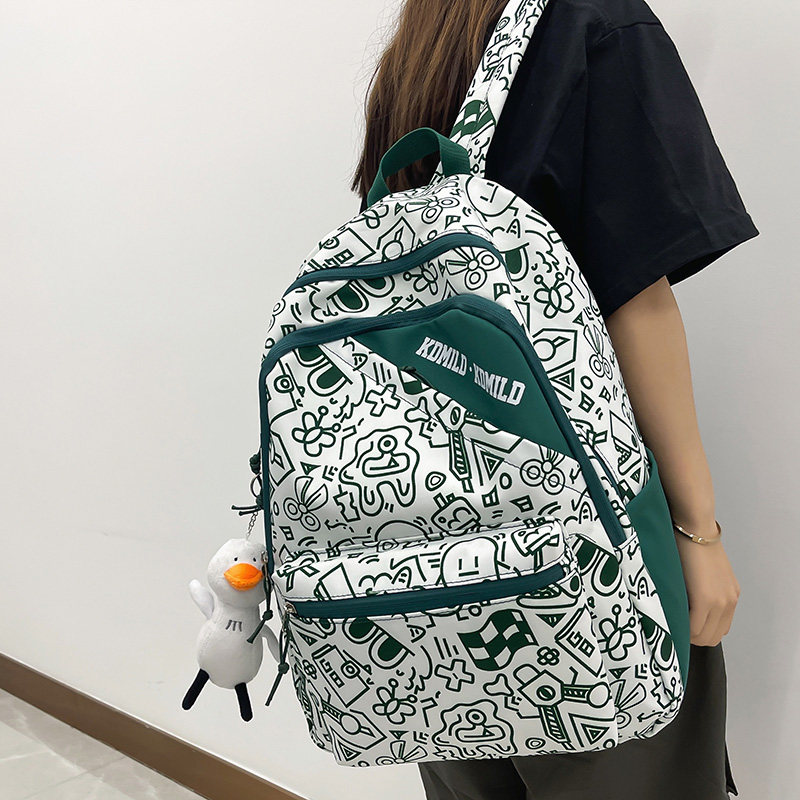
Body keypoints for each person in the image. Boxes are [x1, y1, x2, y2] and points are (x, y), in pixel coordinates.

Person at [352, 1, 759, 798]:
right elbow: (633, 298)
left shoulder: (423, 41)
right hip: (587, 556)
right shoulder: (594, 21)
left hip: (429, 557)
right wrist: (698, 532)